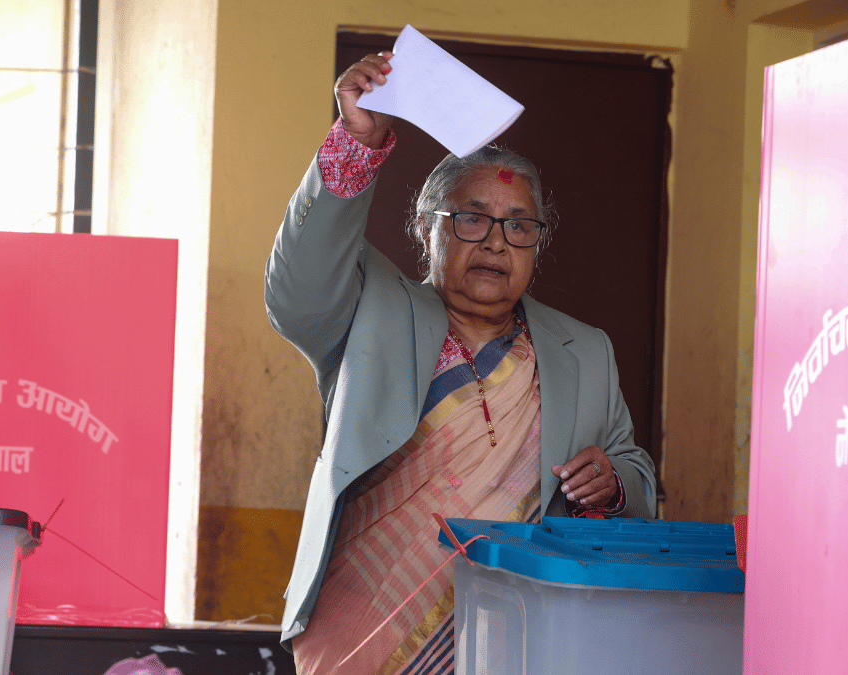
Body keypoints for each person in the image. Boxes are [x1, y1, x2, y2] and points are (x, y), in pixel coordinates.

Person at [266, 51, 659, 675]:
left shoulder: (584, 350)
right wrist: (355, 144)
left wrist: (613, 484)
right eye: (472, 219)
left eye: (518, 227)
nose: (497, 242)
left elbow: (635, 474)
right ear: (427, 229)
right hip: (364, 633)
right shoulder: (373, 308)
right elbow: (297, 290)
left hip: (520, 639)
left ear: (538, 246)